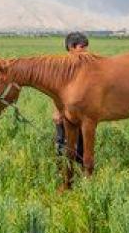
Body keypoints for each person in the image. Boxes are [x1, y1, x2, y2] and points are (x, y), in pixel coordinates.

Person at [54, 31, 89, 162]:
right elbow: (56, 91)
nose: (86, 51)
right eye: (82, 47)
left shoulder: (85, 64)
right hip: (64, 112)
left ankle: (79, 169)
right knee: (63, 142)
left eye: (86, 47)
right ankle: (62, 168)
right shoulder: (62, 66)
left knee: (81, 143)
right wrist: (57, 111)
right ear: (71, 47)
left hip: (80, 111)